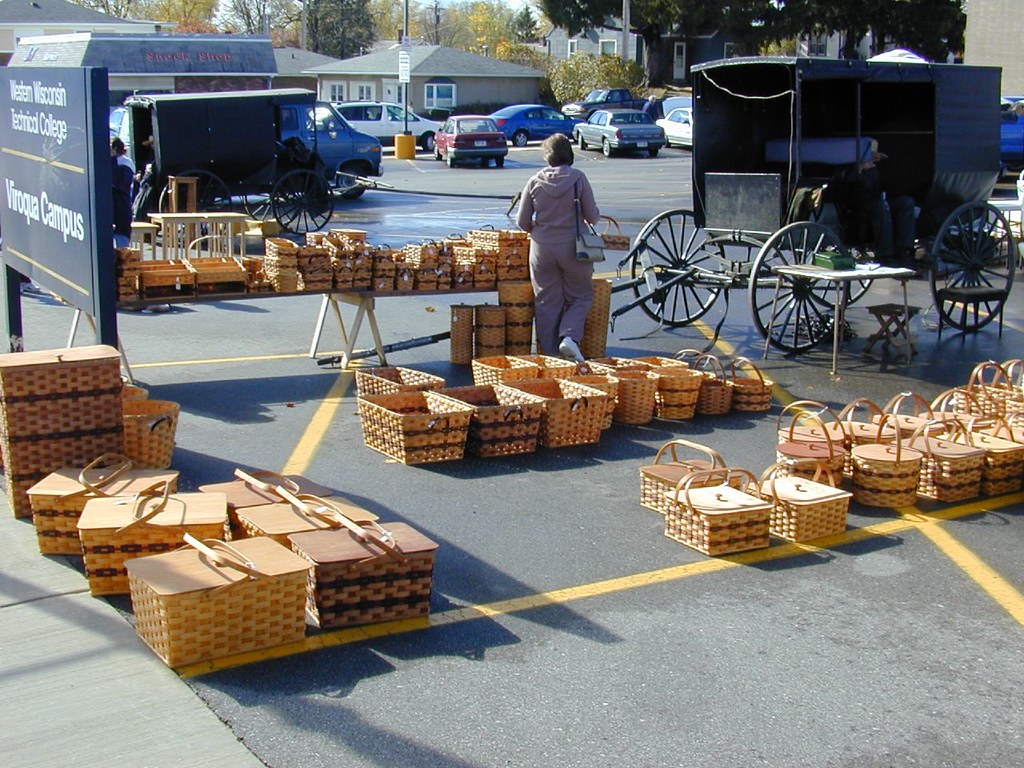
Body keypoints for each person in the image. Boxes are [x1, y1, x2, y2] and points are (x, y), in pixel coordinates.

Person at [516, 134, 600, 362]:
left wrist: (540, 228)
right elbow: (592, 217)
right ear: (568, 154)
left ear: (547, 156)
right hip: (574, 248)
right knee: (580, 296)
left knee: (546, 301)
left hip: (542, 248)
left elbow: (522, 221)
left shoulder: (534, 181)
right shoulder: (578, 178)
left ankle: (550, 356)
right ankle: (570, 337)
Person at [823, 139, 916, 265]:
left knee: (906, 202)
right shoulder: (847, 169)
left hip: (876, 206)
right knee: (881, 207)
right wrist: (860, 169)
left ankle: (904, 250)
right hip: (855, 210)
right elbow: (843, 190)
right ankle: (885, 255)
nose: (874, 160)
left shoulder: (875, 170)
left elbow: (886, 188)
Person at [110, 137, 134, 247]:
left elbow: (118, 183)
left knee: (122, 250)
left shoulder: (126, 165)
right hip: (110, 213)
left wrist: (112, 159)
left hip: (121, 212)